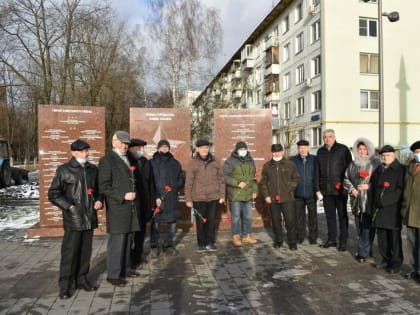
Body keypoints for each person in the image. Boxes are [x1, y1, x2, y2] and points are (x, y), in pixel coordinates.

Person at [48, 139, 103, 299]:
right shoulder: (64, 170)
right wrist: (69, 206)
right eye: (81, 151)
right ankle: (65, 285)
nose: (85, 153)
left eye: (86, 150)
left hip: (89, 218)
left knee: (86, 252)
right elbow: (53, 194)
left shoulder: (93, 169)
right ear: (73, 152)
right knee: (69, 254)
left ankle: (82, 279)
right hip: (74, 219)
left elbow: (99, 189)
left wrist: (99, 200)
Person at [98, 131, 140, 287]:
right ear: (113, 142)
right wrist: (123, 195)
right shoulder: (107, 160)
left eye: (127, 144)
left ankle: (126, 268)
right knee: (117, 242)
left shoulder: (128, 158)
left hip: (131, 207)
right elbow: (104, 187)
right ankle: (113, 274)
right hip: (118, 208)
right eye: (122, 143)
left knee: (128, 240)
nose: (125, 146)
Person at [368, 145, 405, 274]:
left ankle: (395, 263)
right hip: (379, 210)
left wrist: (384, 201)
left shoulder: (400, 169)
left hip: (392, 210)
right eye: (383, 156)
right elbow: (373, 188)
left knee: (394, 239)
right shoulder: (379, 170)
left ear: (393, 155)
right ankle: (385, 259)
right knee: (382, 238)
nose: (385, 158)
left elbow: (400, 191)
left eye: (388, 155)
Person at [344, 138, 381, 263]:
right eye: (360, 149)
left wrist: (368, 186)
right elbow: (346, 179)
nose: (362, 151)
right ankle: (367, 249)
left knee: (367, 228)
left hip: (369, 202)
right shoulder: (353, 164)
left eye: (364, 149)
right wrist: (352, 189)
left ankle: (362, 253)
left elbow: (380, 183)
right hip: (356, 202)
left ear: (369, 150)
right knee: (360, 227)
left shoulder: (375, 164)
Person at [185, 139, 225, 252]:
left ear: (209, 148)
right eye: (202, 148)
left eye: (206, 147)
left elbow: (221, 179)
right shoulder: (193, 162)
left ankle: (210, 242)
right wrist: (188, 199)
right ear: (197, 149)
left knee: (211, 221)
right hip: (199, 197)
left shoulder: (215, 161)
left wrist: (222, 195)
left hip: (213, 197)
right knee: (201, 222)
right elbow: (189, 182)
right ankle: (201, 243)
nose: (204, 150)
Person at [317, 129, 352, 251]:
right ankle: (331, 239)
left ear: (334, 137)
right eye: (325, 137)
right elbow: (318, 171)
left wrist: (346, 186)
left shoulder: (343, 149)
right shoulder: (320, 152)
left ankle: (343, 241)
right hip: (326, 190)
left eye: (330, 136)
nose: (327, 139)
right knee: (330, 216)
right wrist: (318, 188)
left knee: (342, 217)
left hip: (340, 190)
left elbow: (349, 169)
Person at [260, 143, 300, 250]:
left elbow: (296, 178)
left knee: (290, 221)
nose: (276, 153)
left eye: (278, 151)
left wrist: (290, 188)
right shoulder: (267, 166)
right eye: (274, 151)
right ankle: (278, 240)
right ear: (272, 152)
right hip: (273, 199)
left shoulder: (289, 164)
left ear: (282, 152)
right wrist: (266, 195)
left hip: (287, 198)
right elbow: (263, 182)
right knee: (276, 221)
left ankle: (292, 242)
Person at [150, 139, 185, 255]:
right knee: (156, 221)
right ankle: (154, 244)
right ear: (158, 148)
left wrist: (176, 186)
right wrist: (155, 196)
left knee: (172, 222)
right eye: (162, 147)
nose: (164, 149)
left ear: (169, 149)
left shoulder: (175, 163)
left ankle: (169, 244)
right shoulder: (152, 163)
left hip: (172, 197)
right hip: (158, 198)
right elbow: (150, 182)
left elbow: (181, 177)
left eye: (166, 147)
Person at [223, 141, 258, 246]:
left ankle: (247, 235)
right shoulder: (230, 161)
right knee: (236, 217)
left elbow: (254, 178)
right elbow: (225, 176)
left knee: (247, 216)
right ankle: (236, 236)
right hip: (236, 194)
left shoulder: (250, 161)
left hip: (248, 194)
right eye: (240, 149)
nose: (243, 151)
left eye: (244, 149)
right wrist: (237, 183)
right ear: (236, 150)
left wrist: (255, 190)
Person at [128, 138, 154, 268]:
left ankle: (137, 256)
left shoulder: (146, 162)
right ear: (132, 148)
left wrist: (152, 202)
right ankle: (129, 259)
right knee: (131, 234)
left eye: (143, 148)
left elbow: (151, 184)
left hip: (144, 203)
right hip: (132, 204)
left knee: (141, 232)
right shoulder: (126, 161)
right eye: (140, 148)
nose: (142, 151)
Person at [290, 140, 320, 245]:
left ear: (308, 148)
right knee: (299, 217)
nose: (302, 150)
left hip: (311, 193)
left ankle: (313, 237)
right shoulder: (292, 160)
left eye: (304, 147)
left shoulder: (314, 159)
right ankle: (300, 236)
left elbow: (317, 175)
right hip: (297, 194)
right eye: (300, 148)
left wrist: (318, 189)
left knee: (313, 217)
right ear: (298, 149)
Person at [401, 141, 420, 282]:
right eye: (416, 152)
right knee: (412, 243)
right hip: (410, 212)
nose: (417, 154)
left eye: (419, 151)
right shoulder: (410, 166)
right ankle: (414, 270)